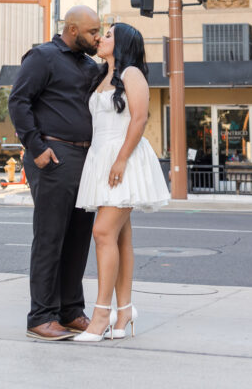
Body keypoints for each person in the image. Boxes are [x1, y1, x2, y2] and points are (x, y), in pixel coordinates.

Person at [72, 22, 170, 343]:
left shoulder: (132, 74)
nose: (102, 38)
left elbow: (140, 118)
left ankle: (101, 314)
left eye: (109, 34)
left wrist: (122, 159)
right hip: (101, 158)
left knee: (101, 232)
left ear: (123, 42)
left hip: (123, 159)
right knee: (119, 237)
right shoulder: (103, 76)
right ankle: (124, 310)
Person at [8, 5, 102, 341]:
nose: (98, 37)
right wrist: (37, 150)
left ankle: (71, 311)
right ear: (73, 30)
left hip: (86, 158)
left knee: (78, 239)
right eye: (93, 32)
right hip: (54, 155)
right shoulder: (43, 56)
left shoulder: (90, 66)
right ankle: (41, 316)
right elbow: (18, 102)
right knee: (50, 238)